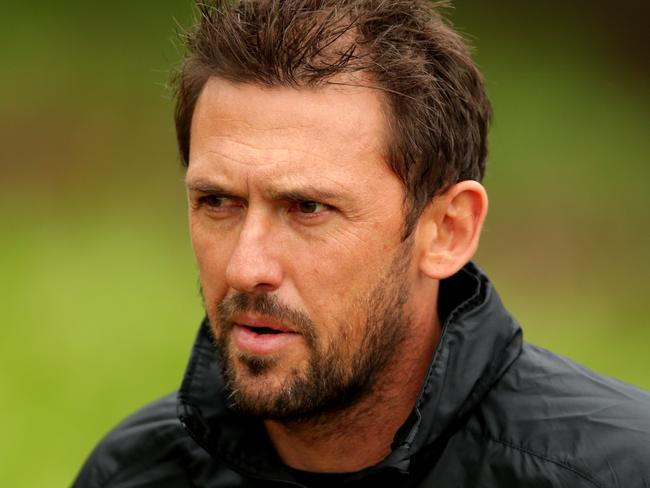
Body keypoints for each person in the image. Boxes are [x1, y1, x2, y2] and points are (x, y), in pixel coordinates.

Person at [74, 1, 650, 486]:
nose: (247, 266)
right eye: (218, 203)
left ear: (448, 231)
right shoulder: (134, 472)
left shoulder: (617, 471)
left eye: (308, 208)